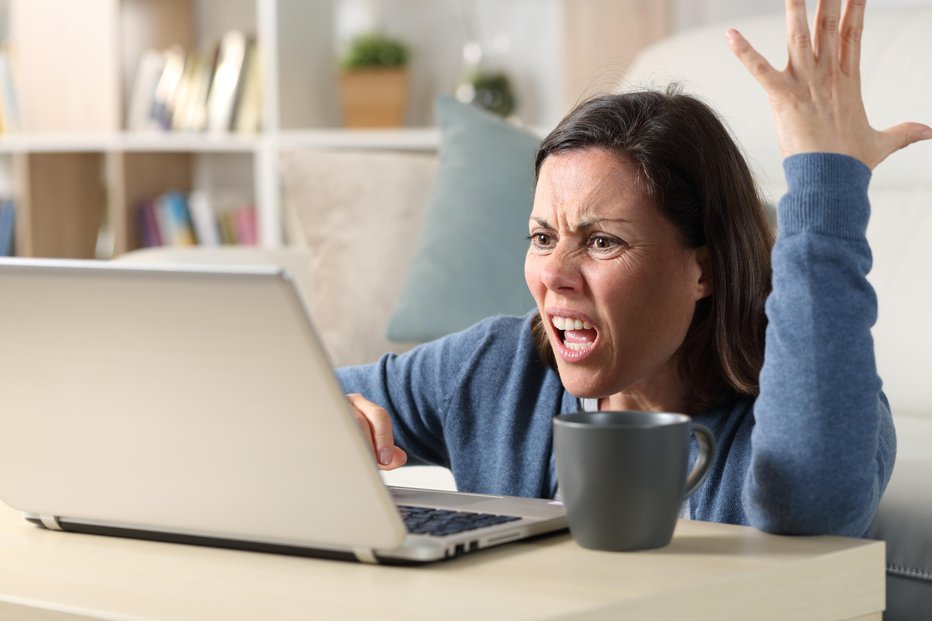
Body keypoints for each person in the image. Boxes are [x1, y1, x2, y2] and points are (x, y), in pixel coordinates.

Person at [339, 0, 932, 537]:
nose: (555, 275)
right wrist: (327, 419)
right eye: (543, 236)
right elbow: (287, 397)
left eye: (601, 242)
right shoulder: (496, 370)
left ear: (706, 269)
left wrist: (825, 182)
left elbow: (813, 505)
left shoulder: (817, 405)